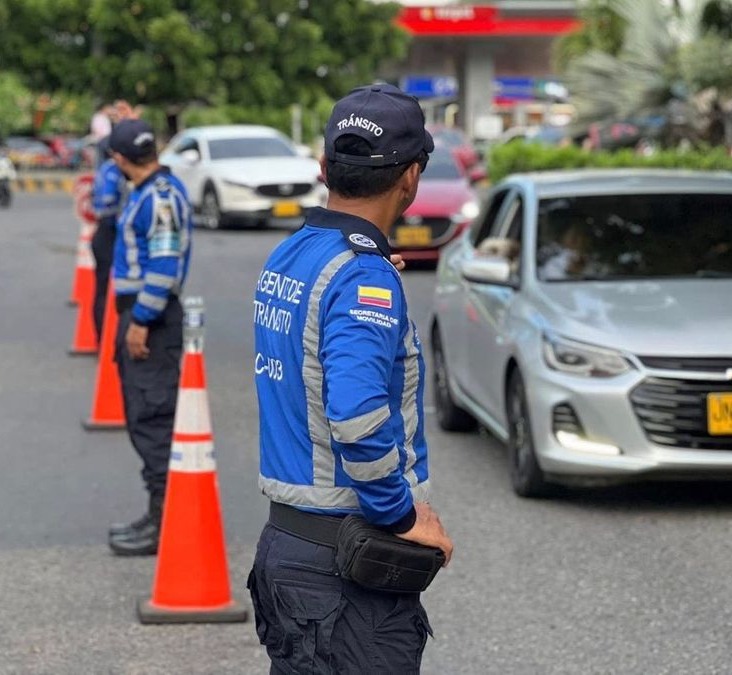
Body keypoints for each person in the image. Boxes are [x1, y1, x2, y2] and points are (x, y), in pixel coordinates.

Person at [248, 84, 454, 674]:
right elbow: (358, 419)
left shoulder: (291, 255)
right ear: (411, 177)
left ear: (323, 168)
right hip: (341, 571)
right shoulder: (362, 276)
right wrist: (404, 516)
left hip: (288, 552)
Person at [103, 119, 193, 556]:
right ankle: (158, 513)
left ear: (119, 159)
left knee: (153, 418)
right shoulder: (153, 191)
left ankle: (164, 522)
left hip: (150, 318)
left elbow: (163, 264)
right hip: (143, 313)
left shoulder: (158, 198)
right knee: (144, 416)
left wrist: (140, 320)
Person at [91, 143, 128, 338]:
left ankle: (103, 337)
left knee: (103, 288)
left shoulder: (105, 169)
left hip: (104, 231)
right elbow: (108, 200)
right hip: (109, 232)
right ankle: (106, 338)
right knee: (108, 289)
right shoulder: (114, 172)